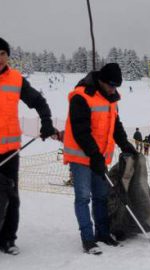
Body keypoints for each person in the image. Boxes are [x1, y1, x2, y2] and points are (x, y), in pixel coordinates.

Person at [63, 63, 139, 255]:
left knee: (101, 197)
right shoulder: (81, 96)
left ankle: (103, 234)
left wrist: (125, 144)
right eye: (111, 85)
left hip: (99, 158)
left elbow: (115, 125)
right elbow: (81, 131)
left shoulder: (111, 100)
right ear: (101, 80)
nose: (113, 89)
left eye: (116, 86)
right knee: (83, 197)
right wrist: (94, 155)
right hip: (81, 156)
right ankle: (88, 239)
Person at [0, 38, 59, 255]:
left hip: (10, 150)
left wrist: (47, 122)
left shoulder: (16, 79)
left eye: (2, 53)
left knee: (12, 196)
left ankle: (7, 239)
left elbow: (39, 101)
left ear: (7, 55)